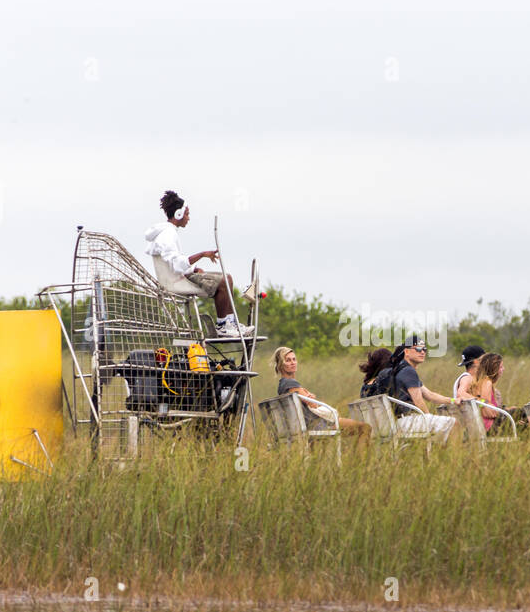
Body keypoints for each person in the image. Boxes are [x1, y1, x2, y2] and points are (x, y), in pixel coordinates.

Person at [143, 189, 254, 338]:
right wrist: (202, 255)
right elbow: (177, 265)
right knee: (224, 280)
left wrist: (194, 268)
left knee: (227, 278)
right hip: (177, 281)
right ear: (178, 215)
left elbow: (176, 262)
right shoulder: (168, 235)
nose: (188, 218)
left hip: (181, 276)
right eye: (187, 214)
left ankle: (230, 323)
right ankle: (223, 326)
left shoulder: (168, 232)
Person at [273, 347, 370, 443]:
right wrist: (310, 397)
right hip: (316, 424)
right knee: (365, 428)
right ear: (281, 365)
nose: (293, 362)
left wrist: (309, 397)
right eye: (288, 360)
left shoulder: (282, 385)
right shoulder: (290, 384)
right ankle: (361, 459)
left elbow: (309, 402)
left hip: (309, 424)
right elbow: (314, 405)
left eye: (294, 359)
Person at [387, 335, 456, 444]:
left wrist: (453, 401)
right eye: (418, 349)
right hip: (408, 421)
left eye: (424, 349)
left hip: (402, 421)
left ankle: (436, 450)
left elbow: (430, 395)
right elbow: (419, 402)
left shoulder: (402, 368)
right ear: (407, 352)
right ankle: (452, 457)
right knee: (454, 423)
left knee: (443, 423)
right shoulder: (408, 371)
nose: (423, 352)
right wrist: (428, 418)